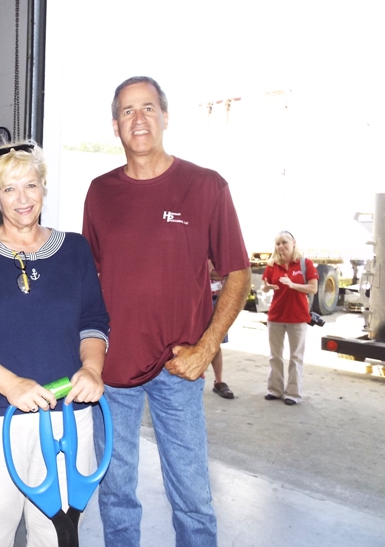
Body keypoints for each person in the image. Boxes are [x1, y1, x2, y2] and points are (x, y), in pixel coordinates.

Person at [82, 76, 251, 547]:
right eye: (128, 111)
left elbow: (238, 274)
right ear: (115, 125)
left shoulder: (206, 186)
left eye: (148, 108)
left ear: (166, 117)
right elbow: (87, 280)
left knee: (192, 498)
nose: (139, 119)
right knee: (116, 495)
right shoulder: (100, 193)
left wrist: (207, 348)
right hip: (112, 370)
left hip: (179, 368)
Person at [0, 142, 110, 547]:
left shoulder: (75, 249)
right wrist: (11, 384)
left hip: (65, 413)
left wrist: (92, 369)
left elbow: (94, 321)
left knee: (57, 533)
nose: (22, 198)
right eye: (9, 189)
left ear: (44, 188)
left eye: (30, 185)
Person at [260, 230, 318, 405]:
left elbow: (313, 288)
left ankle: (293, 393)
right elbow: (264, 286)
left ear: (293, 243)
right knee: (275, 355)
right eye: (278, 243)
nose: (281, 246)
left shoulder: (305, 264)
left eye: (284, 242)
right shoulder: (272, 265)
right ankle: (275, 390)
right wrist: (267, 287)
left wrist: (293, 285)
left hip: (297, 317)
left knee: (296, 357)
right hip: (276, 316)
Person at [210, 264, 234, 399]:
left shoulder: (220, 255)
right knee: (190, 341)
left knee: (215, 343)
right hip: (197, 300)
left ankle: (218, 382)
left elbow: (226, 274)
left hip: (218, 300)